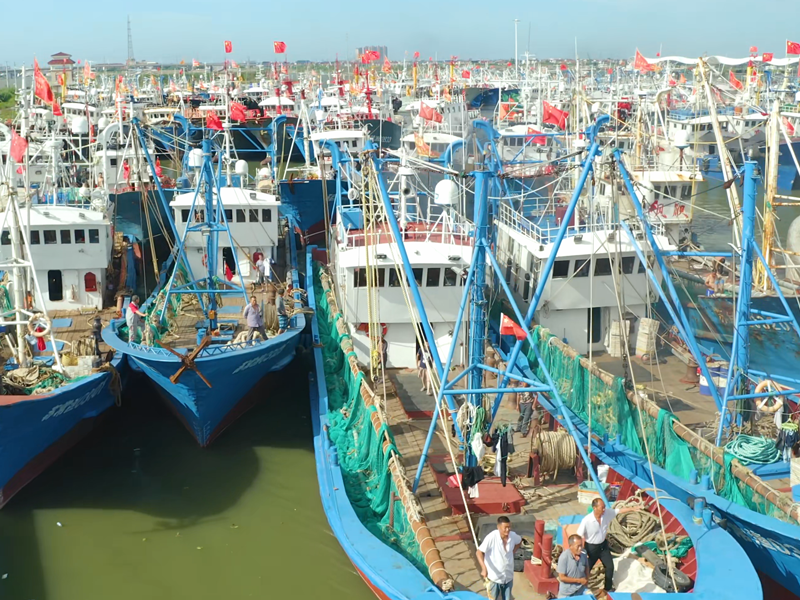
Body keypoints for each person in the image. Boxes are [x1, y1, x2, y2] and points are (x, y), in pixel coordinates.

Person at [577, 498, 637, 594]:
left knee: (610, 567)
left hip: (603, 546)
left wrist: (633, 508)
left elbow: (619, 511)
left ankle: (608, 589)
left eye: (604, 507)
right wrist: (579, 552)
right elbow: (578, 536)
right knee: (586, 570)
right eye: (602, 507)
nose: (604, 509)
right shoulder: (586, 520)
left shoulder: (607, 514)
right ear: (595, 508)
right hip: (591, 549)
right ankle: (580, 589)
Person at [476, 516, 522, 600]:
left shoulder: (513, 536)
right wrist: (484, 568)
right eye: (505, 528)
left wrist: (513, 551)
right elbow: (479, 552)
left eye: (509, 527)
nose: (507, 530)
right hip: (494, 578)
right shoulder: (492, 537)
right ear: (498, 527)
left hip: (508, 576)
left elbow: (519, 541)